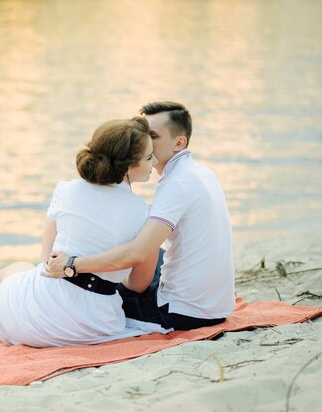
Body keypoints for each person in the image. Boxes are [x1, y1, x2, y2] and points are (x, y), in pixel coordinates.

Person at [0, 116, 160, 347]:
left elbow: (45, 260)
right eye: (149, 157)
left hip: (25, 325)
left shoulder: (66, 190)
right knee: (28, 280)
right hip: (92, 328)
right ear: (128, 166)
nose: (155, 162)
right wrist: (111, 271)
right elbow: (138, 285)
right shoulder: (145, 215)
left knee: (18, 270)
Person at [44, 101, 235, 332]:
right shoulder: (202, 172)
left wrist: (72, 264)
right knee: (146, 251)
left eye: (153, 135)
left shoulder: (176, 184)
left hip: (183, 312)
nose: (144, 140)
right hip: (216, 304)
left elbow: (137, 253)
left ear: (179, 142)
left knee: (100, 286)